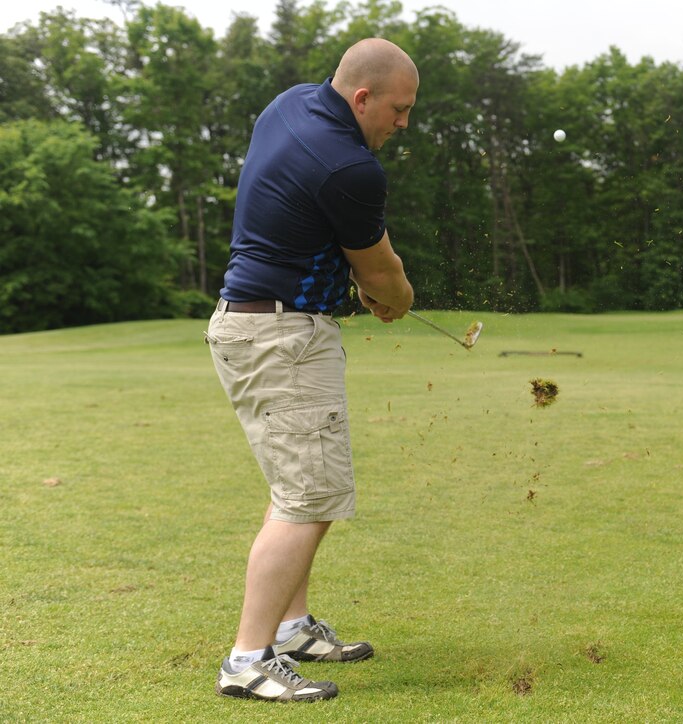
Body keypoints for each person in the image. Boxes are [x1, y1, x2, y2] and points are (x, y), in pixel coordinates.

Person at [205, 37, 416, 702]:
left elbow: (311, 227)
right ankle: (247, 660)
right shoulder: (352, 167)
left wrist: (356, 286)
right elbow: (383, 276)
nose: (403, 123)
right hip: (282, 338)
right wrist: (394, 300)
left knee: (295, 487)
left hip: (256, 324)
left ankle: (292, 628)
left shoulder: (290, 105)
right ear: (362, 98)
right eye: (399, 109)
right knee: (310, 498)